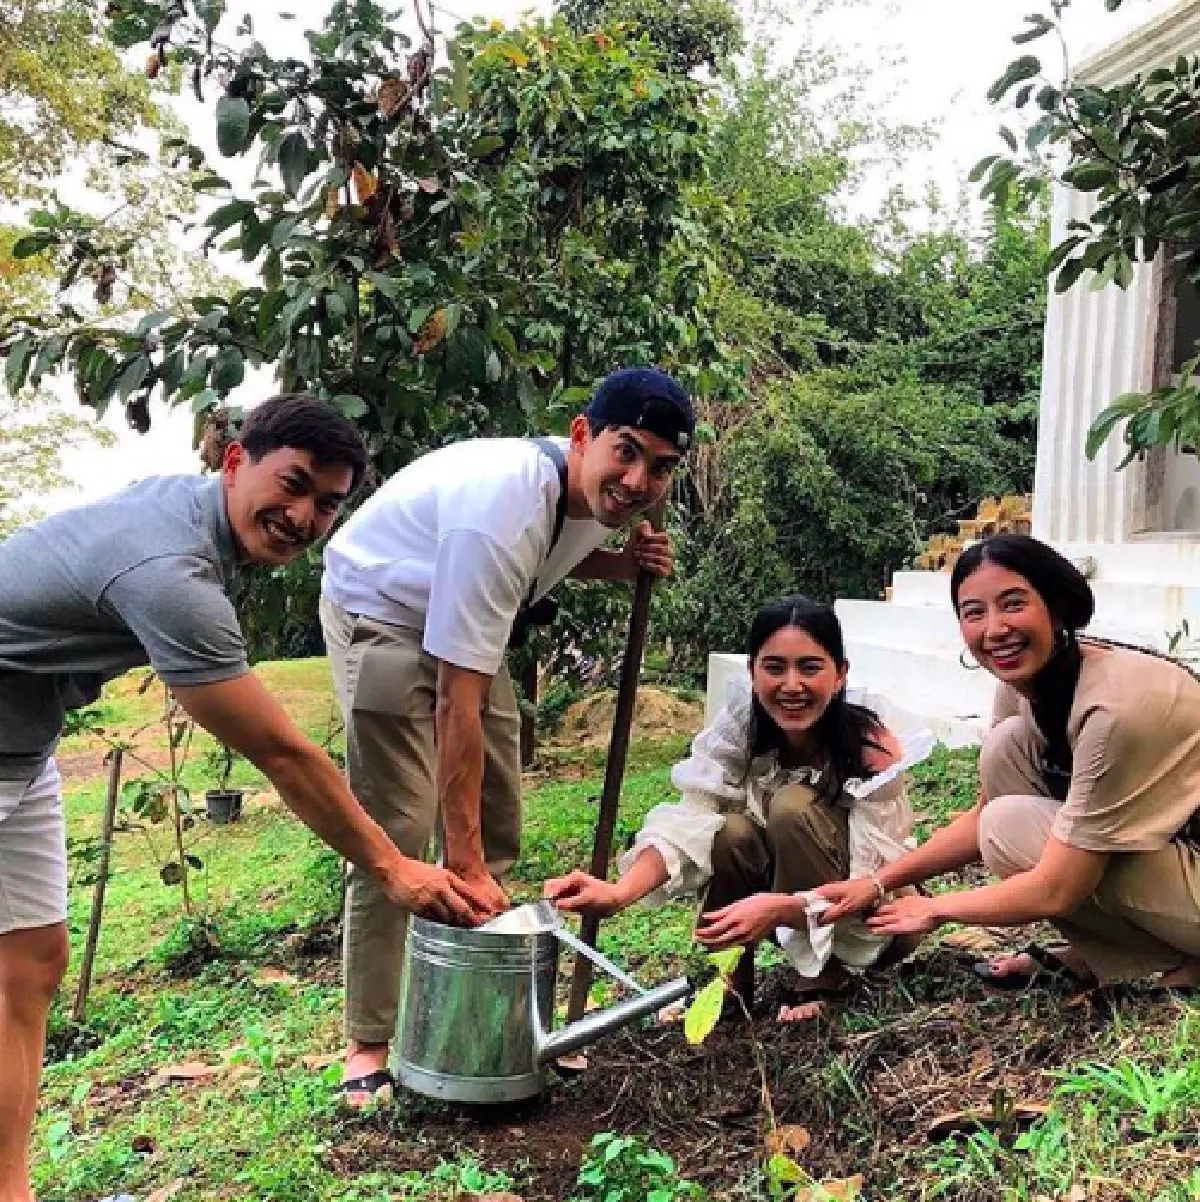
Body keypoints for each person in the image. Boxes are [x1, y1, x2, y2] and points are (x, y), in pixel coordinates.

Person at [0, 393, 492, 1202]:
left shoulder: (196, 517)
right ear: (235, 461)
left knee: (30, 965)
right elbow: (281, 752)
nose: (302, 516)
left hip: (25, 746)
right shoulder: (172, 575)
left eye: (326, 503)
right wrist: (391, 866)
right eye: (292, 485)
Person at [318, 366, 692, 1102]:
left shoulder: (596, 494)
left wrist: (622, 564)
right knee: (399, 828)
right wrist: (462, 860)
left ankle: (474, 996)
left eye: (661, 466)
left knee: (497, 815)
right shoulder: (506, 504)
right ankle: (369, 1044)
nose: (639, 478)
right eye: (627, 452)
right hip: (383, 613)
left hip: (457, 615)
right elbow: (454, 703)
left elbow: (558, 549)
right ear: (581, 435)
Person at [816, 533, 1200, 995]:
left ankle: (1182, 957)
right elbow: (981, 815)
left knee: (1012, 825)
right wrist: (878, 882)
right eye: (974, 612)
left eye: (1013, 604)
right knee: (1005, 759)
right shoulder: (1028, 682)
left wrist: (939, 909)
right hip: (1177, 855)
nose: (995, 629)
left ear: (1056, 608)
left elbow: (1057, 887)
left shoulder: (1115, 709)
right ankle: (1112, 952)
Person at [544, 596, 932, 1021]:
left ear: (840, 673)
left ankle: (824, 977)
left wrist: (779, 909)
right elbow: (692, 815)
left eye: (809, 667)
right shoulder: (742, 727)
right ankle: (727, 981)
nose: (791, 685)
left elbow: (869, 883)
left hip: (875, 921)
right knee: (729, 832)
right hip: (789, 904)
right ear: (752, 671)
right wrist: (619, 893)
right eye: (774, 667)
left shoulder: (870, 747)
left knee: (791, 806)